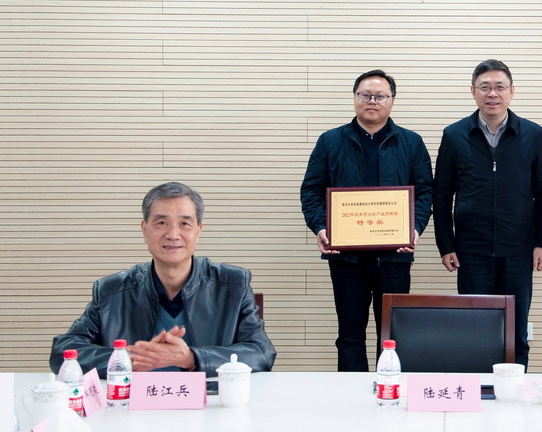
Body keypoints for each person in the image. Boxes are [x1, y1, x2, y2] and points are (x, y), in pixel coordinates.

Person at [50, 182, 276, 377]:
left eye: (185, 223)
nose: (173, 234)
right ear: (144, 229)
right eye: (161, 223)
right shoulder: (112, 291)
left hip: (211, 405)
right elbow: (64, 351)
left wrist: (192, 358)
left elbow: (261, 353)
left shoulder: (233, 285)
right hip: (135, 407)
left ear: (198, 230)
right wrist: (129, 360)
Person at [300, 70, 433, 372]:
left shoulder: (411, 142)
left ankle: (389, 389)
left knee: (392, 337)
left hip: (395, 256)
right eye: (365, 95)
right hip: (347, 258)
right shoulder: (330, 141)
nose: (372, 101)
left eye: (380, 96)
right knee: (349, 336)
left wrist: (414, 228)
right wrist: (321, 227)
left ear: (392, 100)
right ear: (355, 98)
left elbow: (425, 192)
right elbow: (311, 191)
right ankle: (351, 395)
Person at [432, 59, 542, 368]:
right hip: (471, 250)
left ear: (512, 91)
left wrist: (541, 243)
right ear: (473, 92)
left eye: (500, 87)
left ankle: (515, 387)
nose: (492, 94)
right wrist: (446, 245)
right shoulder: (455, 134)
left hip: (519, 250)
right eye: (484, 87)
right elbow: (442, 194)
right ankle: (477, 388)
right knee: (474, 328)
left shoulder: (532, 134)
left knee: (516, 330)